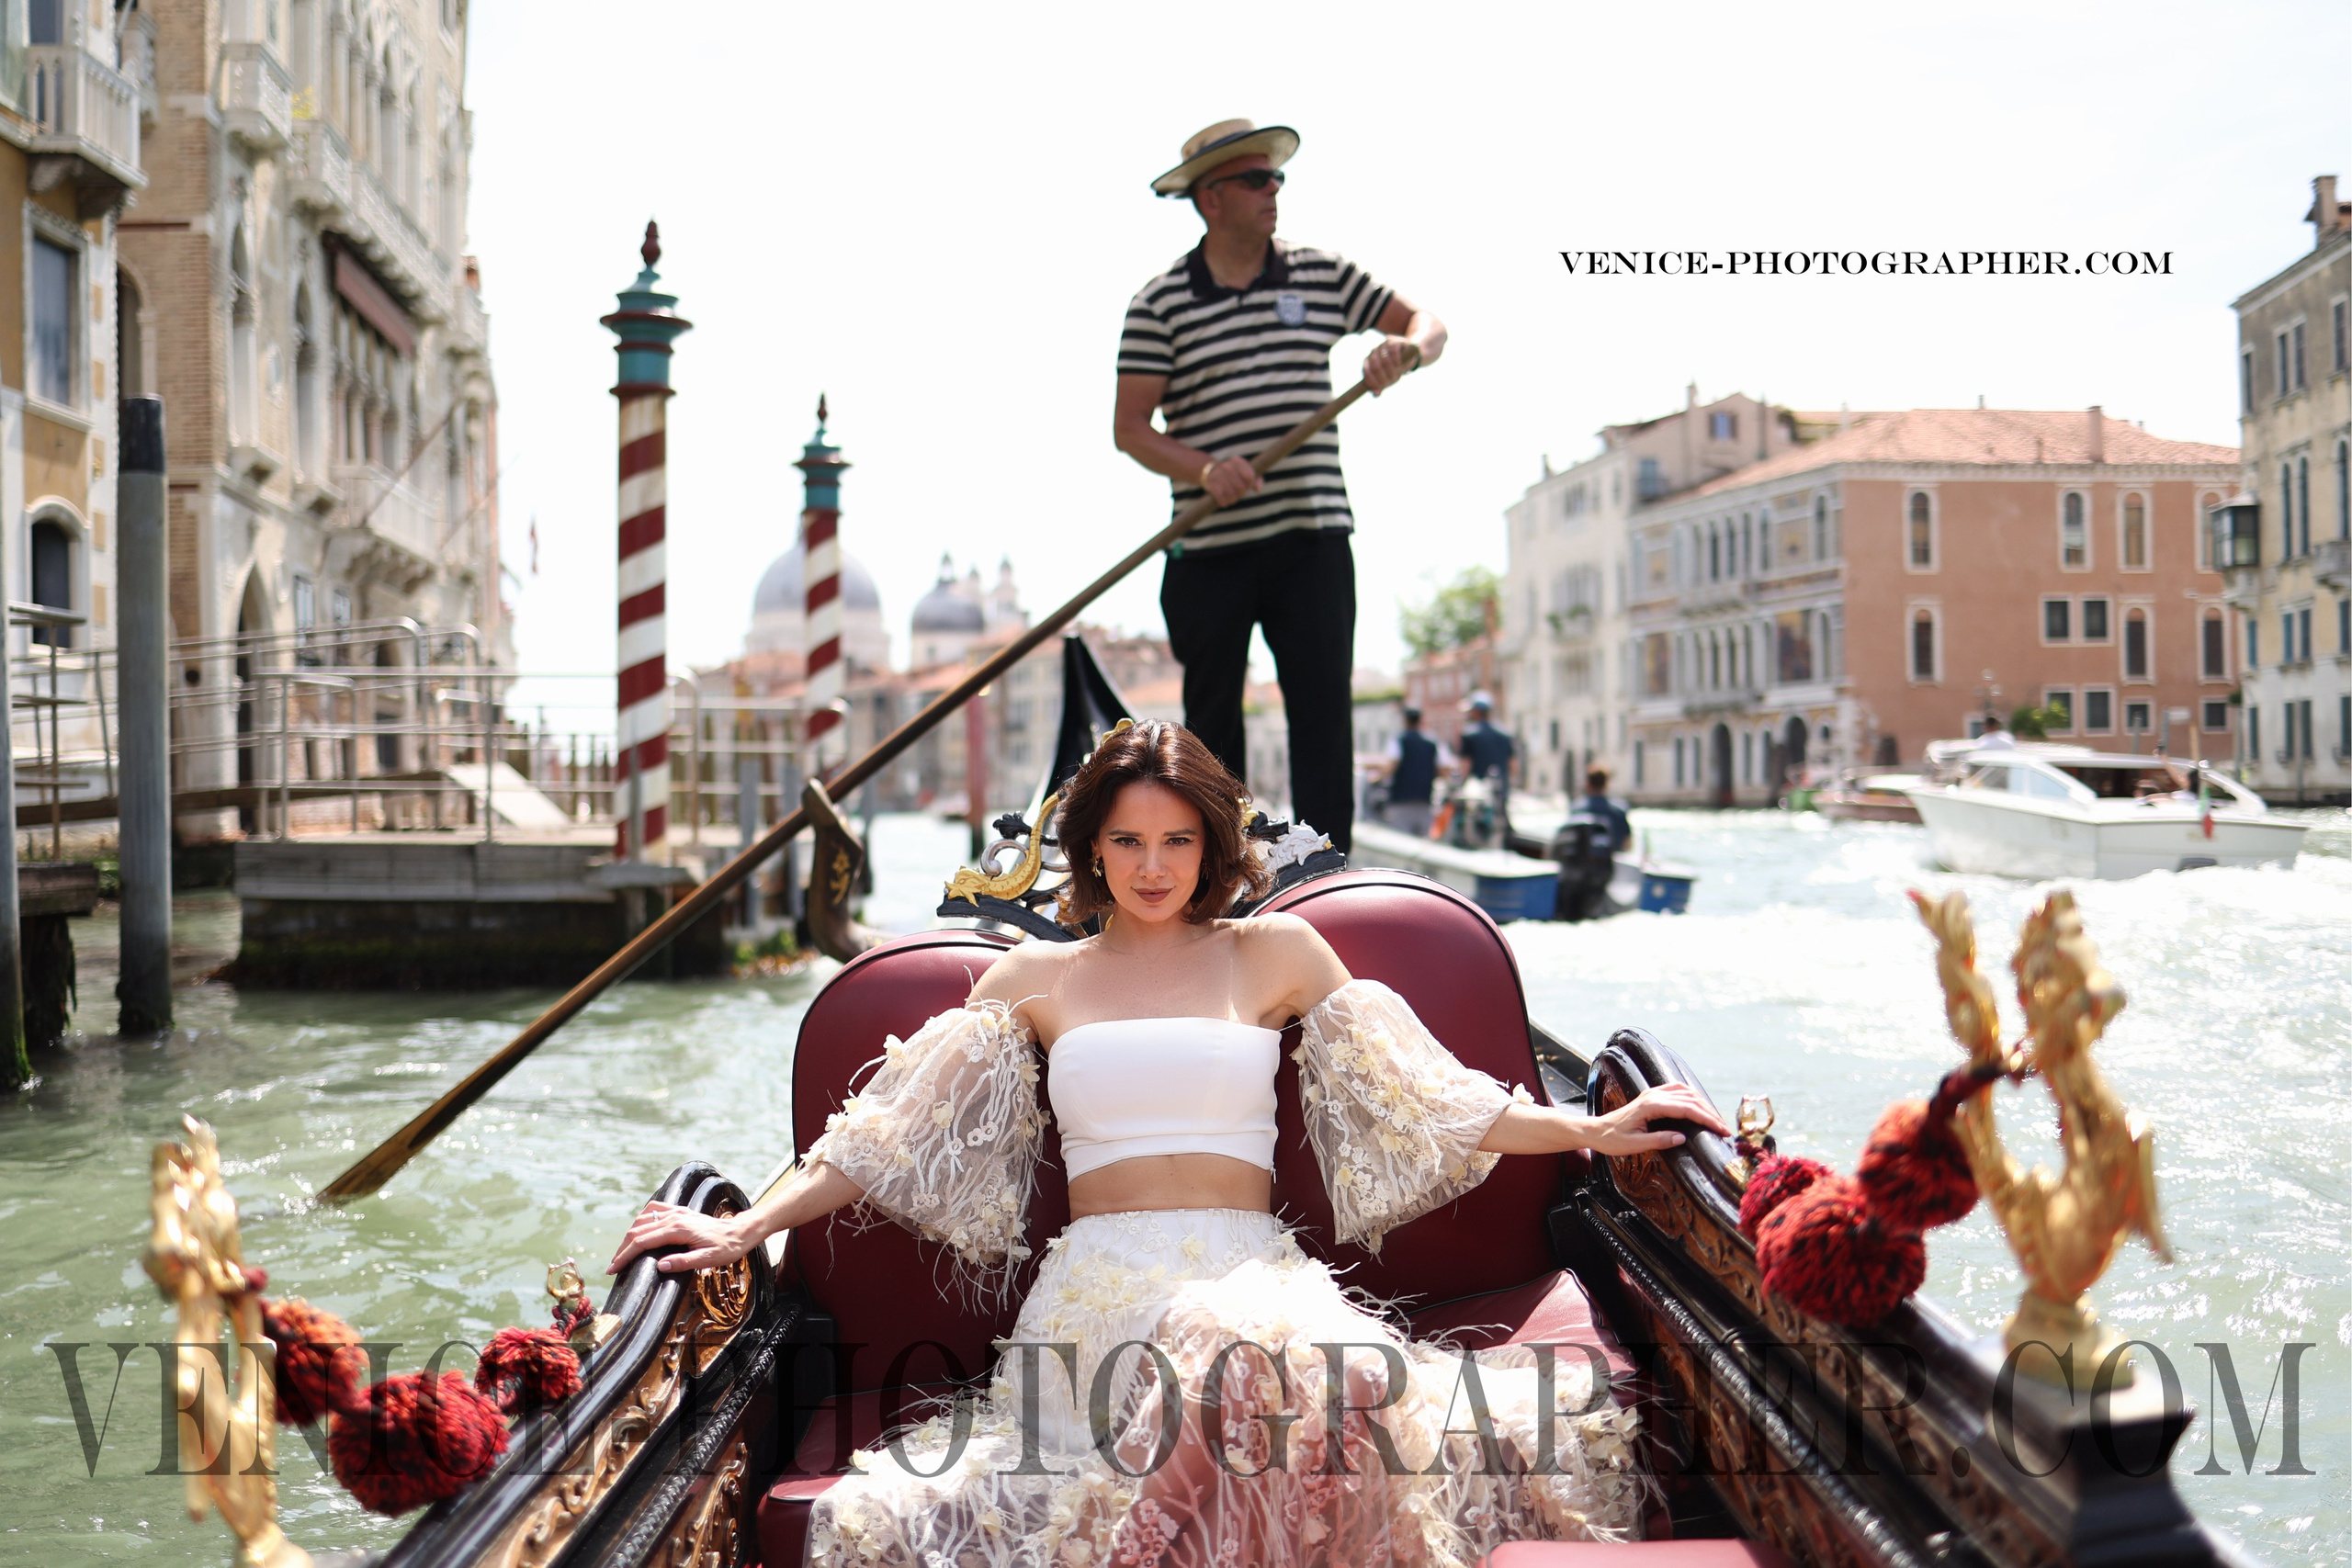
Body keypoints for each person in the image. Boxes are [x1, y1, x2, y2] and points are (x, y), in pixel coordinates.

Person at [611, 721, 1722, 1566]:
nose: (1154, 867)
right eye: (1129, 841)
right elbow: (889, 1135)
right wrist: (747, 1228)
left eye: (1178, 840)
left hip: (1258, 1271)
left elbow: (1425, 1097)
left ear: (1212, 843)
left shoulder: (1275, 954)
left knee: (1314, 1370)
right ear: (1091, 849)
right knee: (1259, 1369)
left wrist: (1591, 1127)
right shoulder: (1034, 977)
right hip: (1103, 1294)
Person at [1114, 119, 1447, 858]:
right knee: (1210, 737)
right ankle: (1215, 875)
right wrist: (1205, 468)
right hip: (1210, 548)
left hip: (1311, 538)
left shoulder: (1320, 274)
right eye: (1257, 179)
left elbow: (1428, 324)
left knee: (1323, 716)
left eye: (1277, 177)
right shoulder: (1159, 303)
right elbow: (1130, 429)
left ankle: (1326, 874)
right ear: (1211, 199)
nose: (1275, 190)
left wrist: (1405, 350)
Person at [1378, 704, 1452, 838]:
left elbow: (1391, 767)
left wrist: (1377, 778)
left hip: (1401, 800)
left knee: (1402, 841)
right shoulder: (1433, 742)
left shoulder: (1399, 740)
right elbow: (1443, 770)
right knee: (1423, 841)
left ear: (1405, 721)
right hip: (1425, 799)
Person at [1458, 692, 1517, 800]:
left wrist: (1461, 784)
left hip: (1477, 791)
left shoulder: (1469, 734)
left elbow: (1466, 764)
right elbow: (1513, 766)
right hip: (1500, 788)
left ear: (1475, 712)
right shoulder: (1505, 734)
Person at [1580, 765, 1633, 855]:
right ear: (1606, 784)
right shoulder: (1619, 811)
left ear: (1588, 785)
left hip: (1582, 861)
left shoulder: (1578, 810)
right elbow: (1627, 843)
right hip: (1614, 860)